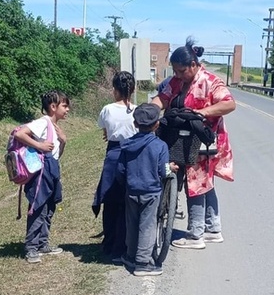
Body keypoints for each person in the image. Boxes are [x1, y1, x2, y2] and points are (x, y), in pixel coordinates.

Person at [152, 37, 235, 249]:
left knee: (196, 181)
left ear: (194, 65)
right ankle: (213, 229)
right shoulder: (177, 82)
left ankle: (195, 234)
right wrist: (150, 112)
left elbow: (229, 104)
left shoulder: (210, 81)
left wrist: (202, 113)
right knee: (205, 182)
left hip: (204, 139)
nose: (178, 75)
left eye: (181, 71)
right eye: (175, 71)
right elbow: (162, 98)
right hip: (180, 137)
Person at [117, 103, 176, 276]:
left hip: (131, 190)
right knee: (147, 225)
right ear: (157, 124)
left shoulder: (126, 145)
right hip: (151, 191)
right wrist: (170, 168)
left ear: (135, 124)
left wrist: (126, 184)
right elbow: (163, 171)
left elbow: (120, 170)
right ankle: (143, 262)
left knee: (132, 223)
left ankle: (130, 255)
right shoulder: (160, 146)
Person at [13, 90, 70, 264]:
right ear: (53, 107)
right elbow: (20, 134)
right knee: (38, 207)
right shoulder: (43, 122)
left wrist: (63, 141)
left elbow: (55, 154)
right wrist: (39, 145)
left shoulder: (54, 126)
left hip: (52, 169)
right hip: (41, 173)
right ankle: (31, 247)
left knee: (49, 207)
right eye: (65, 106)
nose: (67, 109)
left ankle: (42, 244)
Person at [92, 71, 137, 264]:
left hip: (113, 154)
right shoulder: (137, 110)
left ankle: (109, 244)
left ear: (114, 90)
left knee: (110, 201)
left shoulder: (107, 109)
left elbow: (106, 132)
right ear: (132, 90)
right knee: (126, 203)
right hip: (132, 155)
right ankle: (124, 245)